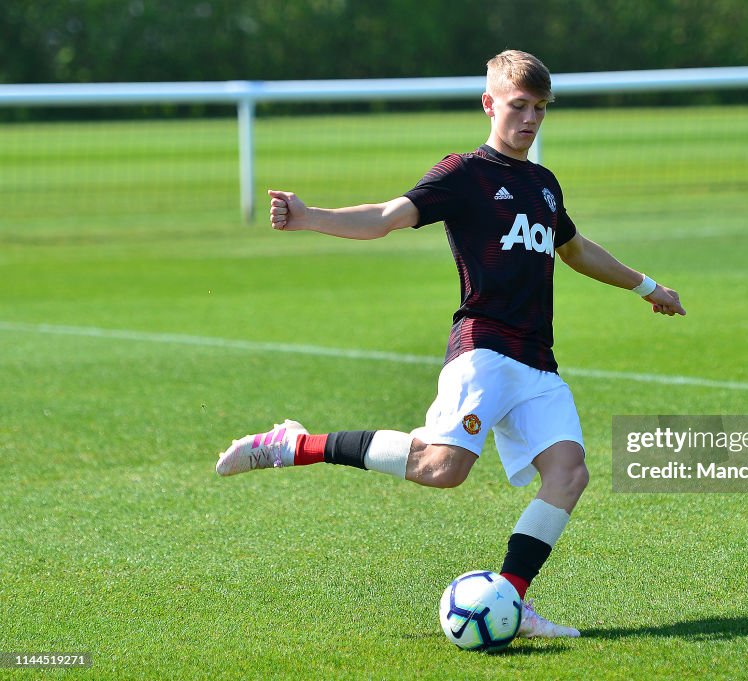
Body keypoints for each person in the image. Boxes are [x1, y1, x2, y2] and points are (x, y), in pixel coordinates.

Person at [216, 49, 685, 639]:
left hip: (538, 361)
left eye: (541, 108)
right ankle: (294, 444)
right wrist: (310, 216)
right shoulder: (465, 174)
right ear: (490, 104)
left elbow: (576, 249)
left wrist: (647, 286)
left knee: (569, 474)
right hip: (484, 347)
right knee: (441, 469)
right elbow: (386, 216)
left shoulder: (543, 185)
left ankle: (512, 600)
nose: (531, 118)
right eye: (520, 105)